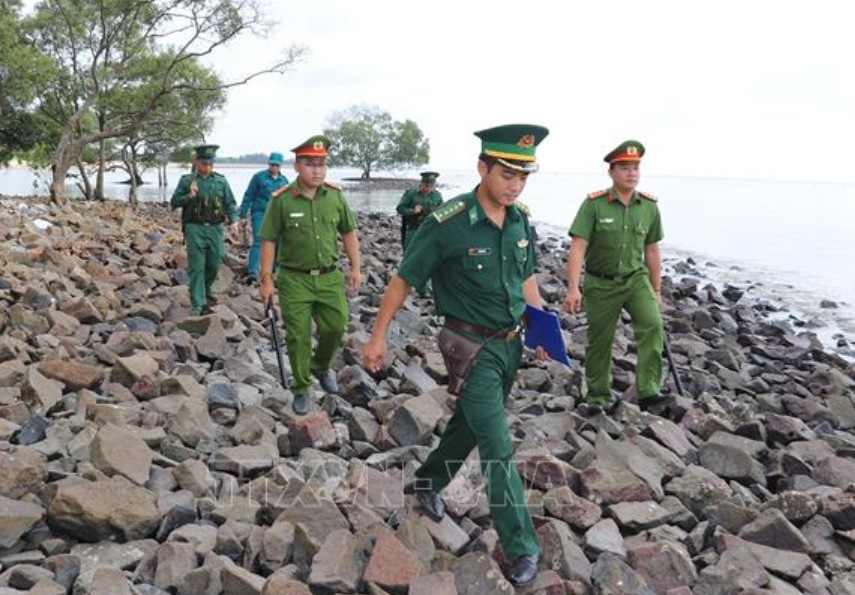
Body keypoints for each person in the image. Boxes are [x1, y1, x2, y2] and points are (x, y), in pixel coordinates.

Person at [363, 124, 551, 588]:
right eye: (507, 173)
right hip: (470, 348)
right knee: (497, 445)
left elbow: (526, 281)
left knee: (468, 426)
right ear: (483, 167)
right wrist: (378, 337)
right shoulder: (447, 223)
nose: (515, 184)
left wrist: (543, 328)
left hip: (510, 346)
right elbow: (404, 278)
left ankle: (427, 481)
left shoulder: (520, 220)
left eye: (523, 176)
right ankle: (521, 546)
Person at [257, 135, 362, 415]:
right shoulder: (281, 201)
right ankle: (302, 387)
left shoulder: (335, 196)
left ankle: (320, 365)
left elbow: (348, 232)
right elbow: (268, 239)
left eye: (321, 164)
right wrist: (266, 279)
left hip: (329, 277)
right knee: (298, 335)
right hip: (294, 279)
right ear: (296, 166)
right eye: (310, 164)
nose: (317, 170)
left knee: (336, 326)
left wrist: (356, 267)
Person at [563, 140, 667, 415]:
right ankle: (597, 396)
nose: (631, 173)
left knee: (653, 327)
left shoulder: (649, 206)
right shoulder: (594, 205)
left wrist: (656, 290)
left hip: (636, 280)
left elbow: (652, 249)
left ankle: (648, 390)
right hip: (600, 283)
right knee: (600, 340)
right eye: (624, 168)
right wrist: (574, 287)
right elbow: (578, 247)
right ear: (611, 172)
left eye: (635, 168)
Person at [170, 144, 239, 316]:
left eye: (211, 164)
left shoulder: (221, 181)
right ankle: (197, 303)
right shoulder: (187, 181)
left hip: (215, 228)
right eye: (204, 163)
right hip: (194, 228)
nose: (208, 167)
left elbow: (230, 204)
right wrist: (189, 196)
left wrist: (234, 221)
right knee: (197, 267)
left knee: (214, 264)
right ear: (197, 162)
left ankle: (206, 289)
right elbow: (174, 202)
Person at [238, 152, 290, 283]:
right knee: (259, 240)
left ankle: (273, 271)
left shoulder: (284, 181)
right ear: (268, 164)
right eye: (272, 164)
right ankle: (252, 272)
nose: (274, 167)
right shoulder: (258, 177)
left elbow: (288, 200)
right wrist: (243, 215)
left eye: (277, 165)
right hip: (260, 212)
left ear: (280, 166)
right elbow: (248, 195)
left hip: (277, 215)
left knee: (277, 242)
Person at [396, 171, 443, 248]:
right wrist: (412, 211)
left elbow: (441, 211)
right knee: (410, 251)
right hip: (414, 229)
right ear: (421, 184)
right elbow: (400, 208)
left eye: (432, 186)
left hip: (430, 229)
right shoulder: (411, 194)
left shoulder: (437, 196)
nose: (429, 188)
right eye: (426, 186)